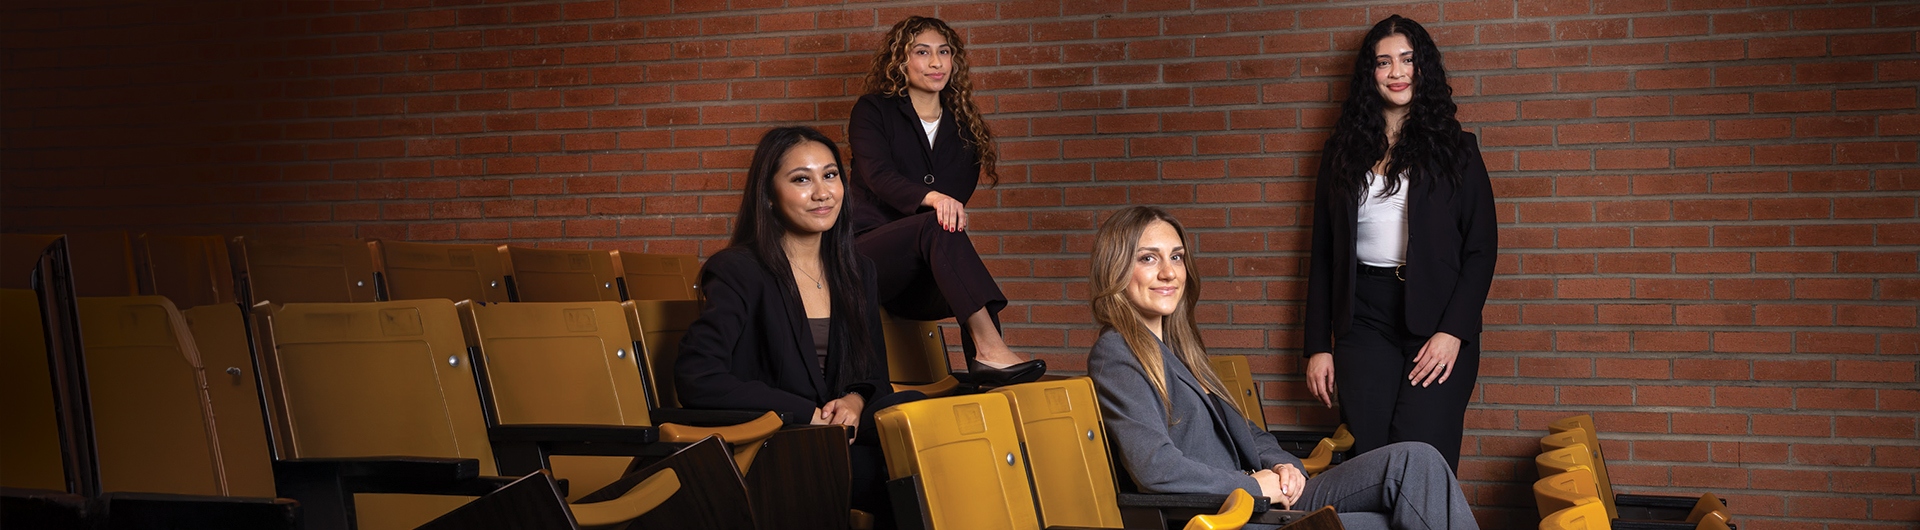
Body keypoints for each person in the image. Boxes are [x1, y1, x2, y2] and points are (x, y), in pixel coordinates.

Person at [1087, 206, 1479, 530]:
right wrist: (1254, 487)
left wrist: (1284, 465)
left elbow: (1249, 433)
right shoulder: (1117, 352)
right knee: (1386, 523)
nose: (1169, 272)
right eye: (1148, 258)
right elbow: (1155, 468)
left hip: (1264, 500)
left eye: (1176, 256)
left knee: (1417, 459)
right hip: (1227, 515)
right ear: (1117, 269)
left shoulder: (1180, 348)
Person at [674, 126, 921, 526]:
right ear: (769, 195)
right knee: (910, 475)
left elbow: (874, 376)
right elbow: (697, 377)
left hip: (840, 443)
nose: (822, 192)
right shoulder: (738, 270)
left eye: (830, 175)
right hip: (774, 449)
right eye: (801, 179)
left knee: (917, 417)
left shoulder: (858, 272)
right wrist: (806, 413)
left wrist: (855, 401)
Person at [1302, 15, 1498, 471]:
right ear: (1369, 74)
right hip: (1363, 320)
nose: (1396, 72)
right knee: (1368, 457)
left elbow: (1481, 249)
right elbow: (1323, 256)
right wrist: (1318, 345)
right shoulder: (1340, 151)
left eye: (1407, 60)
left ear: (1422, 68)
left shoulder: (1458, 149)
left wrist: (1453, 333)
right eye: (1383, 62)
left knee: (1423, 456)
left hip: (1437, 321)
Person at [846, 15, 1044, 385]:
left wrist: (939, 205)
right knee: (937, 226)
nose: (936, 63)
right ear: (900, 61)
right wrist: (933, 198)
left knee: (952, 247)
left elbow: (956, 200)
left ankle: (991, 381)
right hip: (866, 262)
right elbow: (878, 176)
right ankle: (991, 350)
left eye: (944, 52)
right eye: (922, 52)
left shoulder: (964, 126)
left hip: (922, 278)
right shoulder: (873, 111)